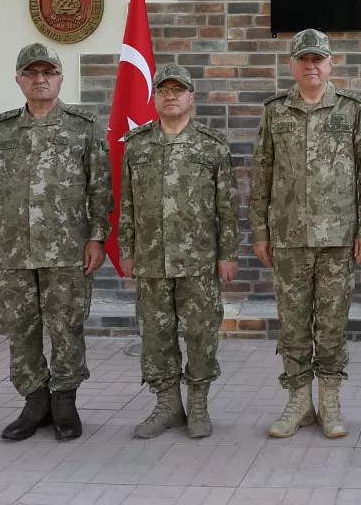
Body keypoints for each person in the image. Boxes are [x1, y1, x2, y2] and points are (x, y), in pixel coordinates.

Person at [0, 43, 112, 442]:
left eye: (48, 72)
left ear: (60, 78)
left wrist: (97, 238)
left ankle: (64, 401)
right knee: (20, 329)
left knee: (67, 327)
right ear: (19, 79)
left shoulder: (83, 127)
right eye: (31, 73)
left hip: (66, 250)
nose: (40, 79)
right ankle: (35, 401)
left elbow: (100, 190)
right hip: (12, 251)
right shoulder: (1, 130)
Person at [250, 29, 361, 439]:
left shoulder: (351, 110)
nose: (311, 66)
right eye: (303, 60)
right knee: (292, 324)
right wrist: (260, 231)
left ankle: (329, 401)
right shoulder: (275, 111)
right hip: (288, 237)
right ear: (291, 65)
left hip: (338, 237)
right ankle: (298, 402)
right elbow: (261, 174)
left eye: (317, 59)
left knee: (332, 323)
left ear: (330, 64)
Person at [119, 62, 239, 439]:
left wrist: (228, 253)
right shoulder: (137, 145)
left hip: (199, 260)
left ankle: (198, 404)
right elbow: (127, 203)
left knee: (201, 335)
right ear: (154, 97)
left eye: (177, 90)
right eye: (163, 90)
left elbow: (227, 206)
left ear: (192, 98)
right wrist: (126, 249)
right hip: (152, 259)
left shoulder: (212, 145)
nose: (170, 96)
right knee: (156, 337)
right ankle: (168, 406)